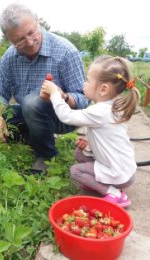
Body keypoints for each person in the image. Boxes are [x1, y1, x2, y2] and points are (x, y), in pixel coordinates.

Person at [0, 3, 89, 173]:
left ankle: (46, 155)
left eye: (31, 33)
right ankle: (38, 140)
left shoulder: (66, 52)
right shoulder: (9, 58)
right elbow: (0, 92)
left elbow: (84, 99)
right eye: (20, 40)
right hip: (30, 114)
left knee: (32, 102)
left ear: (37, 21)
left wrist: (63, 97)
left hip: (62, 117)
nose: (30, 42)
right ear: (9, 39)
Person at [41, 55, 140, 207]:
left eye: (87, 80)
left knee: (76, 171)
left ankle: (116, 194)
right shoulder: (112, 107)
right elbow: (108, 138)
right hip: (125, 169)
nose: (84, 84)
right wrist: (90, 144)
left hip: (120, 174)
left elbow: (66, 116)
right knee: (79, 153)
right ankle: (98, 183)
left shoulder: (100, 111)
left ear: (103, 89)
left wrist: (54, 94)